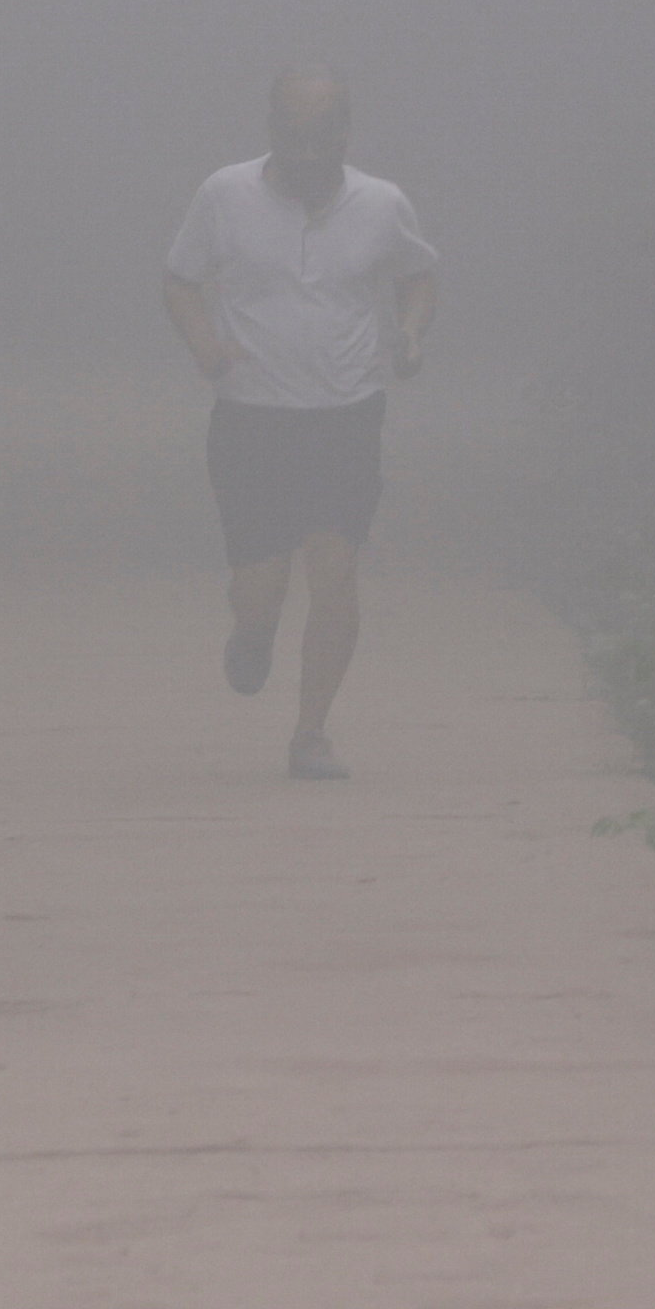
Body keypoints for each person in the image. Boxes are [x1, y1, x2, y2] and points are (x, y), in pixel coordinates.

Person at [163, 67, 439, 780]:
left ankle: (310, 733)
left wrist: (410, 333)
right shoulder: (226, 194)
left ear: (345, 133)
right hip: (252, 416)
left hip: (345, 415)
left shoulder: (383, 203)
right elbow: (180, 278)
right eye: (291, 134)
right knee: (260, 587)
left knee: (336, 569)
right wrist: (203, 345)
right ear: (270, 130)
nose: (306, 151)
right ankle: (252, 635)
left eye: (319, 136)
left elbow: (418, 273)